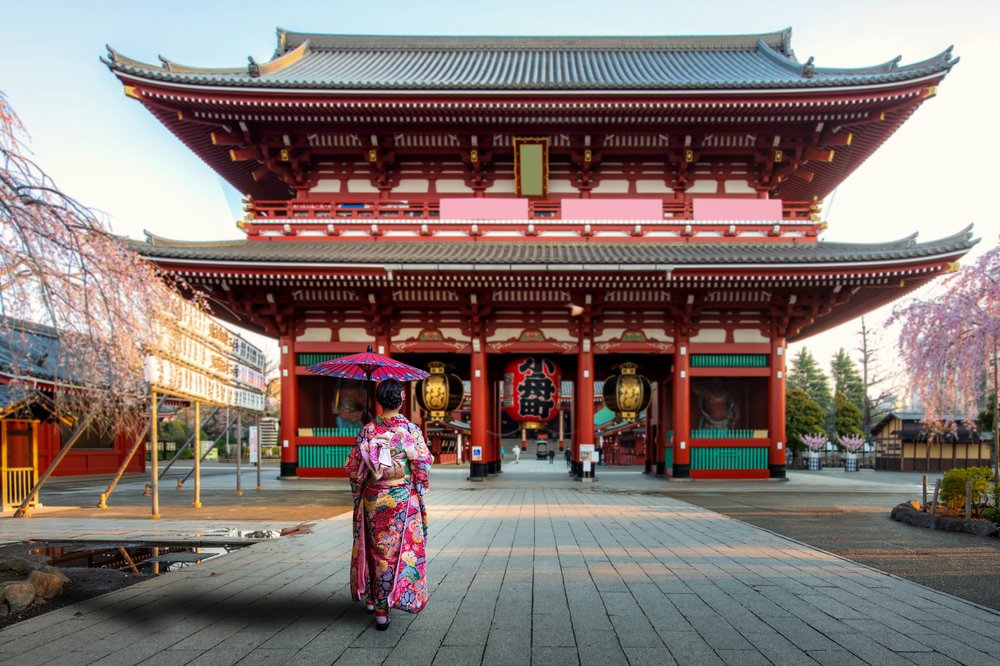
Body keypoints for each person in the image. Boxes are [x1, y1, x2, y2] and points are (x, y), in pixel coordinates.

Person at [346, 379, 432, 630]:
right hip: (403, 499)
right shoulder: (412, 430)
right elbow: (423, 464)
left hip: (374, 497)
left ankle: (374, 600)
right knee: (397, 552)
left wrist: (370, 478)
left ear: (379, 401)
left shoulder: (368, 430)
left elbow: (353, 468)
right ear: (402, 398)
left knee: (375, 550)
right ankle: (385, 607)